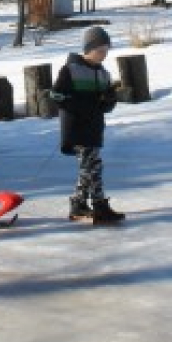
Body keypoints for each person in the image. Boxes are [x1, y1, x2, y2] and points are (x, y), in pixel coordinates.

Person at [50, 26, 124, 224]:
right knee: (93, 166)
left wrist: (109, 100)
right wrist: (82, 105)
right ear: (88, 49)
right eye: (100, 50)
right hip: (76, 126)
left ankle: (78, 204)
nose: (104, 54)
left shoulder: (104, 74)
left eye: (107, 50)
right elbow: (56, 95)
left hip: (94, 127)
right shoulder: (71, 70)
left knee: (87, 167)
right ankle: (99, 205)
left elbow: (104, 107)